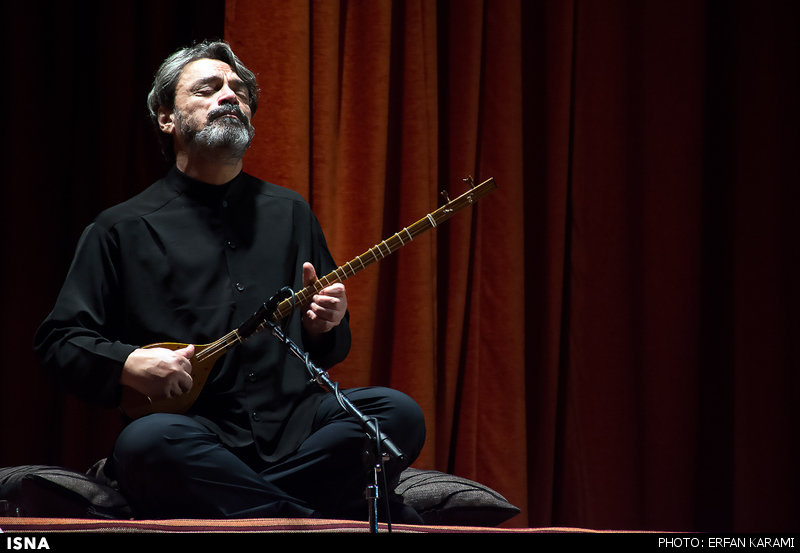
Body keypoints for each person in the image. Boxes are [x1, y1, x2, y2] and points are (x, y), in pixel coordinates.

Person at [34, 40, 426, 522]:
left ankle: (268, 512)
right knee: (146, 442)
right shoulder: (120, 228)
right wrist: (128, 362)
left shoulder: (291, 212)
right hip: (195, 432)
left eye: (238, 91)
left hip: (298, 428)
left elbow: (329, 349)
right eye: (208, 88)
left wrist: (325, 325)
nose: (229, 96)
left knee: (397, 413)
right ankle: (311, 518)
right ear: (166, 118)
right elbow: (59, 340)